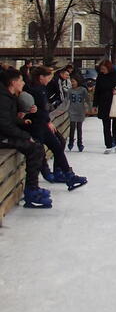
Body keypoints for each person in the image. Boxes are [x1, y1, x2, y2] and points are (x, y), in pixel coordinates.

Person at [25, 66, 87, 189]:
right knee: (39, 153)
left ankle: (68, 175)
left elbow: (43, 109)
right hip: (37, 126)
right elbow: (37, 110)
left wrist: (47, 120)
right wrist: (45, 119)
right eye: (49, 76)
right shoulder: (34, 90)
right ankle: (35, 184)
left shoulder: (42, 88)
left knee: (58, 146)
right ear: (41, 77)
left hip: (43, 124)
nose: (51, 78)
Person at [0, 68, 52, 208]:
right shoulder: (3, 98)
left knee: (37, 146)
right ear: (13, 82)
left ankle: (33, 187)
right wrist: (26, 136)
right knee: (34, 147)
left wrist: (23, 120)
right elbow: (4, 125)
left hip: (5, 134)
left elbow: (10, 117)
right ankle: (31, 190)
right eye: (21, 80)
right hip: (2, 138)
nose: (23, 83)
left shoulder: (9, 96)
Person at [94, 59, 116, 154]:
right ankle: (108, 145)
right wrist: (95, 104)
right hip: (103, 102)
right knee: (106, 125)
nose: (102, 71)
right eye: (101, 69)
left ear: (108, 68)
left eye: (104, 69)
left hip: (115, 102)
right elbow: (97, 91)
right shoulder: (100, 76)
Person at [65, 75, 90, 153]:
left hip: (80, 110)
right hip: (72, 110)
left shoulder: (83, 90)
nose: (72, 83)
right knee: (72, 127)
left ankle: (80, 143)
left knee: (79, 127)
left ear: (77, 81)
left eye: (73, 81)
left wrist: (89, 108)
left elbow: (87, 99)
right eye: (71, 81)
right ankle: (71, 142)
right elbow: (66, 101)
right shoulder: (69, 90)